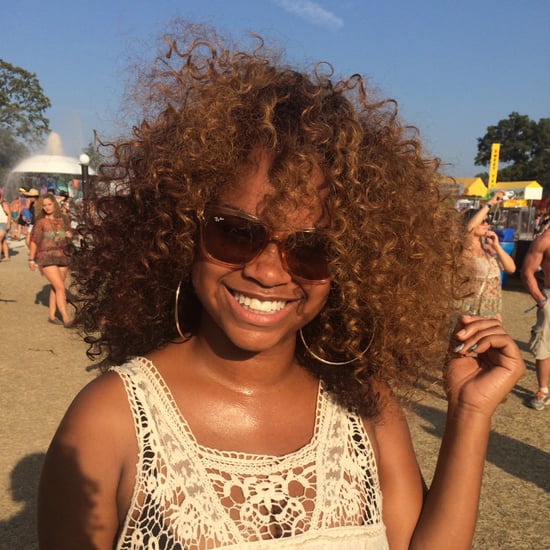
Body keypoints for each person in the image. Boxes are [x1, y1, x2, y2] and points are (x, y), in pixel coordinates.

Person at [37, 24, 525, 550]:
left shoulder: (365, 407)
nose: (269, 272)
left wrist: (469, 414)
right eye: (234, 233)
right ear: (180, 228)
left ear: (353, 261)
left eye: (311, 248)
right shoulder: (108, 422)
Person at [459, 191, 516, 320]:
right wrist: (490, 203)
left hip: (491, 313)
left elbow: (511, 269)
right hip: (469, 314)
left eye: (488, 221)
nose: (486, 223)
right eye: (482, 221)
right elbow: (469, 228)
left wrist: (497, 247)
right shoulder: (463, 250)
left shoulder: (489, 250)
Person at [28, 192, 72, 326]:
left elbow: (64, 238)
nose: (47, 207)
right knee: (60, 287)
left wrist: (68, 235)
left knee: (56, 287)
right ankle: (66, 318)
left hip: (62, 255)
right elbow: (34, 241)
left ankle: (52, 315)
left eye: (49, 204)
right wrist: (31, 259)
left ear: (55, 204)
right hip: (46, 256)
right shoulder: (40, 222)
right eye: (44, 205)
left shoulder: (64, 219)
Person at [521, 227, 550, 410]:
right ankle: (543, 389)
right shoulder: (545, 240)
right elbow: (527, 271)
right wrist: (541, 301)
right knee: (544, 346)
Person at [0, 189, 11, 261]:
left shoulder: (3, 204)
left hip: (3, 223)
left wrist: (8, 224)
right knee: (3, 241)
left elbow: (9, 214)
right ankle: (6, 257)